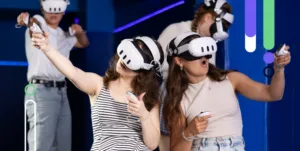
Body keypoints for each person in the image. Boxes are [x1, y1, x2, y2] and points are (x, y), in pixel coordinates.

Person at [30, 27, 163, 150]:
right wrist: (47, 48)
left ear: (143, 71)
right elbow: (72, 72)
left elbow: (152, 144)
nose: (123, 61)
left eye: (132, 61)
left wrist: (144, 115)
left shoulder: (149, 98)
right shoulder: (99, 85)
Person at [162, 32, 291, 151]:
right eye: (196, 53)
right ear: (179, 61)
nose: (204, 58)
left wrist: (279, 69)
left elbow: (273, 94)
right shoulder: (178, 100)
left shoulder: (231, 79)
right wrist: (189, 133)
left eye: (206, 52)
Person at [157, 1, 234, 150]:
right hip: (172, 94)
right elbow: (157, 64)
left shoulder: (210, 44)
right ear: (208, 18)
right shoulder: (176, 30)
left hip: (196, 98)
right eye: (221, 25)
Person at [17, 0, 89, 151]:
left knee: (63, 145)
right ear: (43, 9)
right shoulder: (39, 22)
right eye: (50, 9)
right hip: (41, 90)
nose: (54, 13)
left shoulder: (63, 35)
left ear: (63, 11)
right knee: (41, 145)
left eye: (58, 10)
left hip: (62, 91)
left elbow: (83, 43)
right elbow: (33, 25)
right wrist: (28, 21)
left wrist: (79, 31)